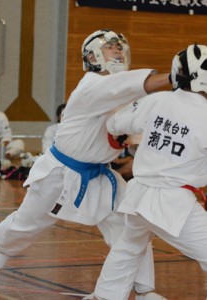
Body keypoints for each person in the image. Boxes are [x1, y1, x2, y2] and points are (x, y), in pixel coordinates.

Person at [0, 29, 170, 300]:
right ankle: (1, 247)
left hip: (101, 176)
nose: (118, 51)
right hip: (60, 174)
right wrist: (174, 76)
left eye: (121, 47)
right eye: (111, 47)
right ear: (93, 56)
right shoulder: (91, 85)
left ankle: (143, 290)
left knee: (132, 225)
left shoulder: (128, 97)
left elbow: (133, 136)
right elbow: (130, 85)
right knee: (27, 224)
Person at [90, 44, 207, 300]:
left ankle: (106, 295)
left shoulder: (157, 100)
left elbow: (114, 124)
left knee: (129, 247)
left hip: (139, 196)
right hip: (172, 203)